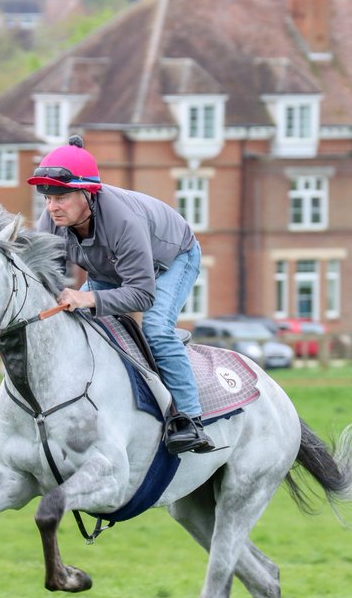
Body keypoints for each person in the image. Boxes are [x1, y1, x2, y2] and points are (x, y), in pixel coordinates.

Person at [28, 136, 215, 455]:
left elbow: (141, 295)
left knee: (155, 330)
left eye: (60, 197)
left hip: (173, 259)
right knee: (73, 322)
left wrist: (87, 299)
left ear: (87, 192)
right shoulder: (53, 220)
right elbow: (37, 272)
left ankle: (189, 420)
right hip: (110, 269)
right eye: (47, 198)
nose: (52, 207)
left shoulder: (122, 221)